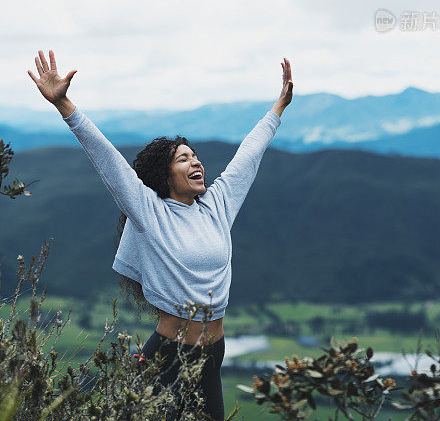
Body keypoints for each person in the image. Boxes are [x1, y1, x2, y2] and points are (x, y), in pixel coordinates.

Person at [28, 49, 293, 420]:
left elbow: (247, 157)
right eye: (183, 159)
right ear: (164, 177)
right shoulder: (150, 212)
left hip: (213, 352)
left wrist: (278, 109)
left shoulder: (217, 206)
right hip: (168, 355)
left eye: (195, 156)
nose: (196, 162)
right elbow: (108, 160)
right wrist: (65, 105)